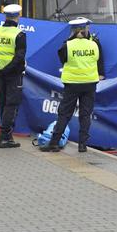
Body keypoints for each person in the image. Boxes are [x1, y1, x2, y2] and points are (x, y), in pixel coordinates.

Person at [40, 17, 104, 153]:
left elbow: (63, 59)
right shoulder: (94, 45)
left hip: (72, 84)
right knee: (85, 114)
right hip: (90, 83)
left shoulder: (67, 45)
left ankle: (54, 142)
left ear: (73, 31)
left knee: (64, 113)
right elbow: (97, 59)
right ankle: (82, 145)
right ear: (84, 30)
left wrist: (70, 40)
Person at [0, 4, 26, 148]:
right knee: (11, 104)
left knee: (3, 102)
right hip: (13, 75)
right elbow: (19, 58)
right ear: (18, 16)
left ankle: (6, 136)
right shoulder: (19, 34)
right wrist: (7, 70)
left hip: (0, 74)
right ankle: (5, 137)